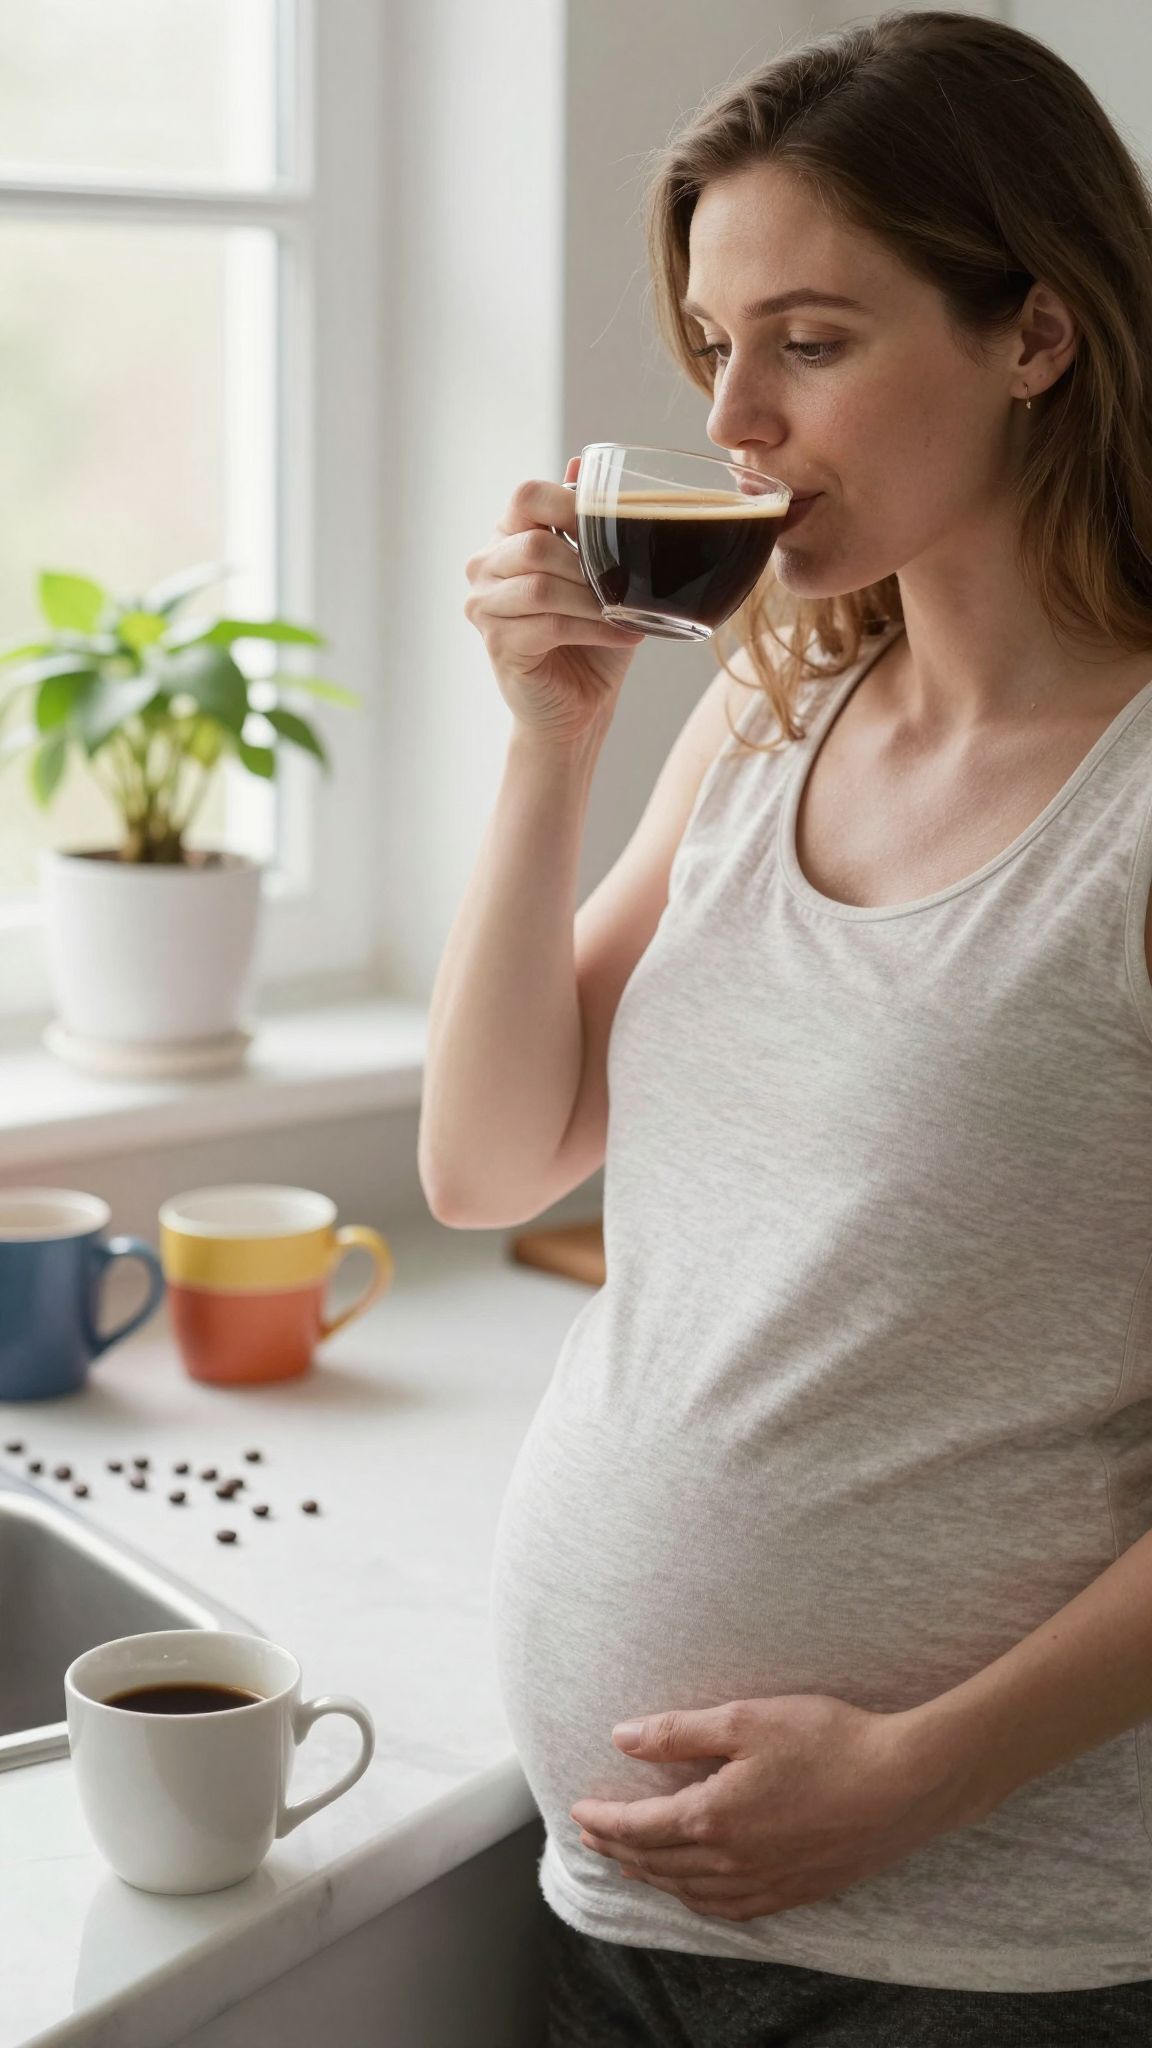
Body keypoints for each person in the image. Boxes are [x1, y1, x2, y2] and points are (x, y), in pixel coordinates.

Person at [420, 8, 1152, 2042]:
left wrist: (925, 1771)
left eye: (811, 342)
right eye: (711, 346)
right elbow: (489, 1160)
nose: (735, 420)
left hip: (975, 1956)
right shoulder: (770, 710)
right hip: (626, 1904)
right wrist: (550, 750)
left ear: (1036, 333)